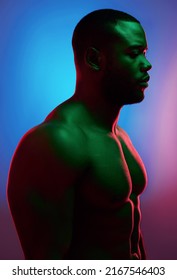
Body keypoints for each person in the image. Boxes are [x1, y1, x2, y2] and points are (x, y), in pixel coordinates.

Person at [7, 9, 152, 260]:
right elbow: (44, 265)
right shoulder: (55, 142)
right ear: (94, 59)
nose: (147, 64)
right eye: (132, 53)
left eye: (144, 53)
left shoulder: (120, 136)